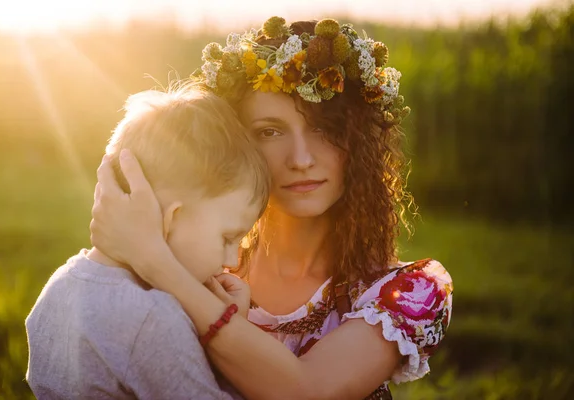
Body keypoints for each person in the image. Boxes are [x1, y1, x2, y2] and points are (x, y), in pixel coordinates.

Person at [90, 17, 454, 399]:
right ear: (236, 145)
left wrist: (155, 261)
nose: (300, 159)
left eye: (324, 129)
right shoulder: (203, 262)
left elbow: (308, 392)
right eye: (270, 131)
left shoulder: (409, 292)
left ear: (359, 141)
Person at [25, 83, 269, 399]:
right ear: (170, 219)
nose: (233, 260)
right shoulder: (153, 319)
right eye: (228, 238)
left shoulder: (59, 285)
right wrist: (233, 336)